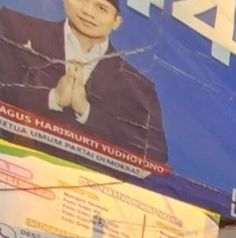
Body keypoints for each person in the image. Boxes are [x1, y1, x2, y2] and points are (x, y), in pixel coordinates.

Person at [0, 0, 169, 163]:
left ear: (116, 22)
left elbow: (154, 156)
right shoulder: (13, 27)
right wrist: (52, 98)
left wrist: (86, 112)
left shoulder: (139, 88)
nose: (88, 12)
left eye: (101, 8)